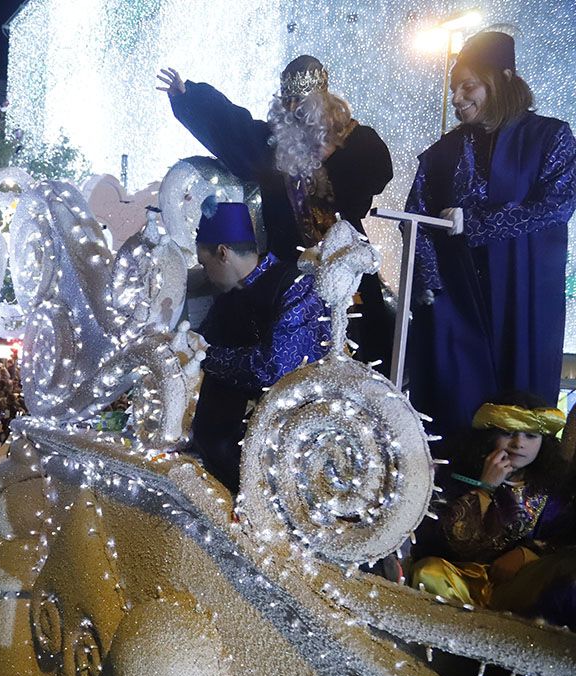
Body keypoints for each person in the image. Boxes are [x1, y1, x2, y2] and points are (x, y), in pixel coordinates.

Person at [158, 55, 394, 370]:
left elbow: (379, 172)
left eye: (303, 101)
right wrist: (191, 97)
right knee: (273, 344)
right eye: (289, 100)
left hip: (347, 264)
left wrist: (332, 154)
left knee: (367, 342)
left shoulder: (355, 140)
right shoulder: (273, 147)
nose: (295, 108)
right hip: (289, 270)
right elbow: (233, 128)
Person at [404, 31, 576, 438]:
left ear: (502, 78)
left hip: (524, 295)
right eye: (453, 89)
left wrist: (478, 223)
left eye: (468, 86)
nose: (457, 98)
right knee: (456, 407)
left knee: (521, 404)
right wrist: (428, 284)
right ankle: (459, 496)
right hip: (458, 302)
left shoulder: (550, 138)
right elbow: (415, 218)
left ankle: (520, 499)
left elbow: (556, 206)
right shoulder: (442, 152)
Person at [189, 200, 329, 491]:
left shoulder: (296, 285)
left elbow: (272, 368)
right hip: (230, 448)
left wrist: (205, 355)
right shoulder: (229, 294)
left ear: (223, 253)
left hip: (292, 446)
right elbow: (200, 341)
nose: (205, 275)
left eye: (205, 264)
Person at [411, 394, 572, 613]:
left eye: (531, 436)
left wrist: (526, 553)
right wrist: (485, 488)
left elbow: (562, 544)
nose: (519, 444)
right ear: (489, 436)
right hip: (462, 580)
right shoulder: (455, 477)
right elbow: (451, 540)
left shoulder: (552, 491)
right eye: (508, 433)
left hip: (520, 586)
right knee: (428, 572)